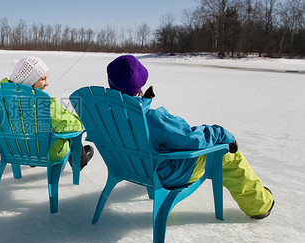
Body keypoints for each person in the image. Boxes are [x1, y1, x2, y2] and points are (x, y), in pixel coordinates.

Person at [106, 55, 274, 219]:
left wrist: (143, 102)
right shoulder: (152, 119)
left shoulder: (103, 113)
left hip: (130, 167)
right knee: (228, 156)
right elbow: (191, 139)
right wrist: (222, 134)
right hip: (168, 174)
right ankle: (260, 205)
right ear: (141, 84)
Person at [2, 56, 94, 169]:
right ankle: (81, 161)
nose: (47, 83)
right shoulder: (42, 103)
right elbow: (70, 125)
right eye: (43, 79)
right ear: (29, 81)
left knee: (40, 124)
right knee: (68, 130)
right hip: (45, 152)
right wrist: (79, 121)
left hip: (13, 149)